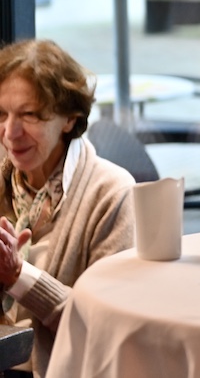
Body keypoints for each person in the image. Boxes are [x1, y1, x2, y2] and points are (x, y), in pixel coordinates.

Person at [0, 39, 135, 376]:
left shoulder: (111, 193)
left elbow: (107, 325)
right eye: (2, 113)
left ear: (69, 120)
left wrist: (19, 276)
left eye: (29, 115)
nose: (10, 132)